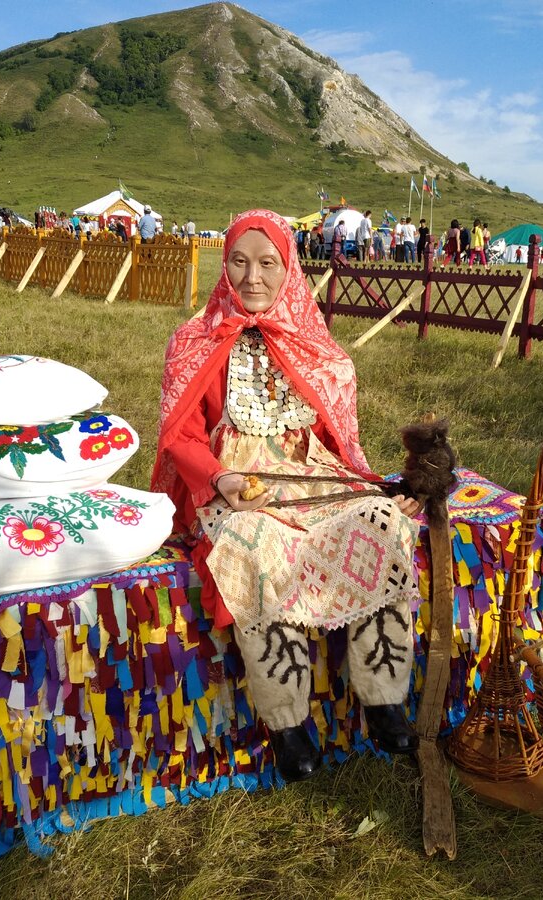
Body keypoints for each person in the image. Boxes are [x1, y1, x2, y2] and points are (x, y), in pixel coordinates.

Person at [152, 209, 421, 782]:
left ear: (289, 268)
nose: (252, 277)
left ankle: (384, 695)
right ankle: (287, 721)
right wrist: (220, 480)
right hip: (235, 481)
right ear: (224, 267)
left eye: (267, 263)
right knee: (252, 542)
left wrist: (369, 486)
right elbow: (181, 436)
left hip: (311, 472)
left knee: (381, 520)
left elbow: (337, 435)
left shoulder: (311, 342)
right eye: (239, 262)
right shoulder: (194, 342)